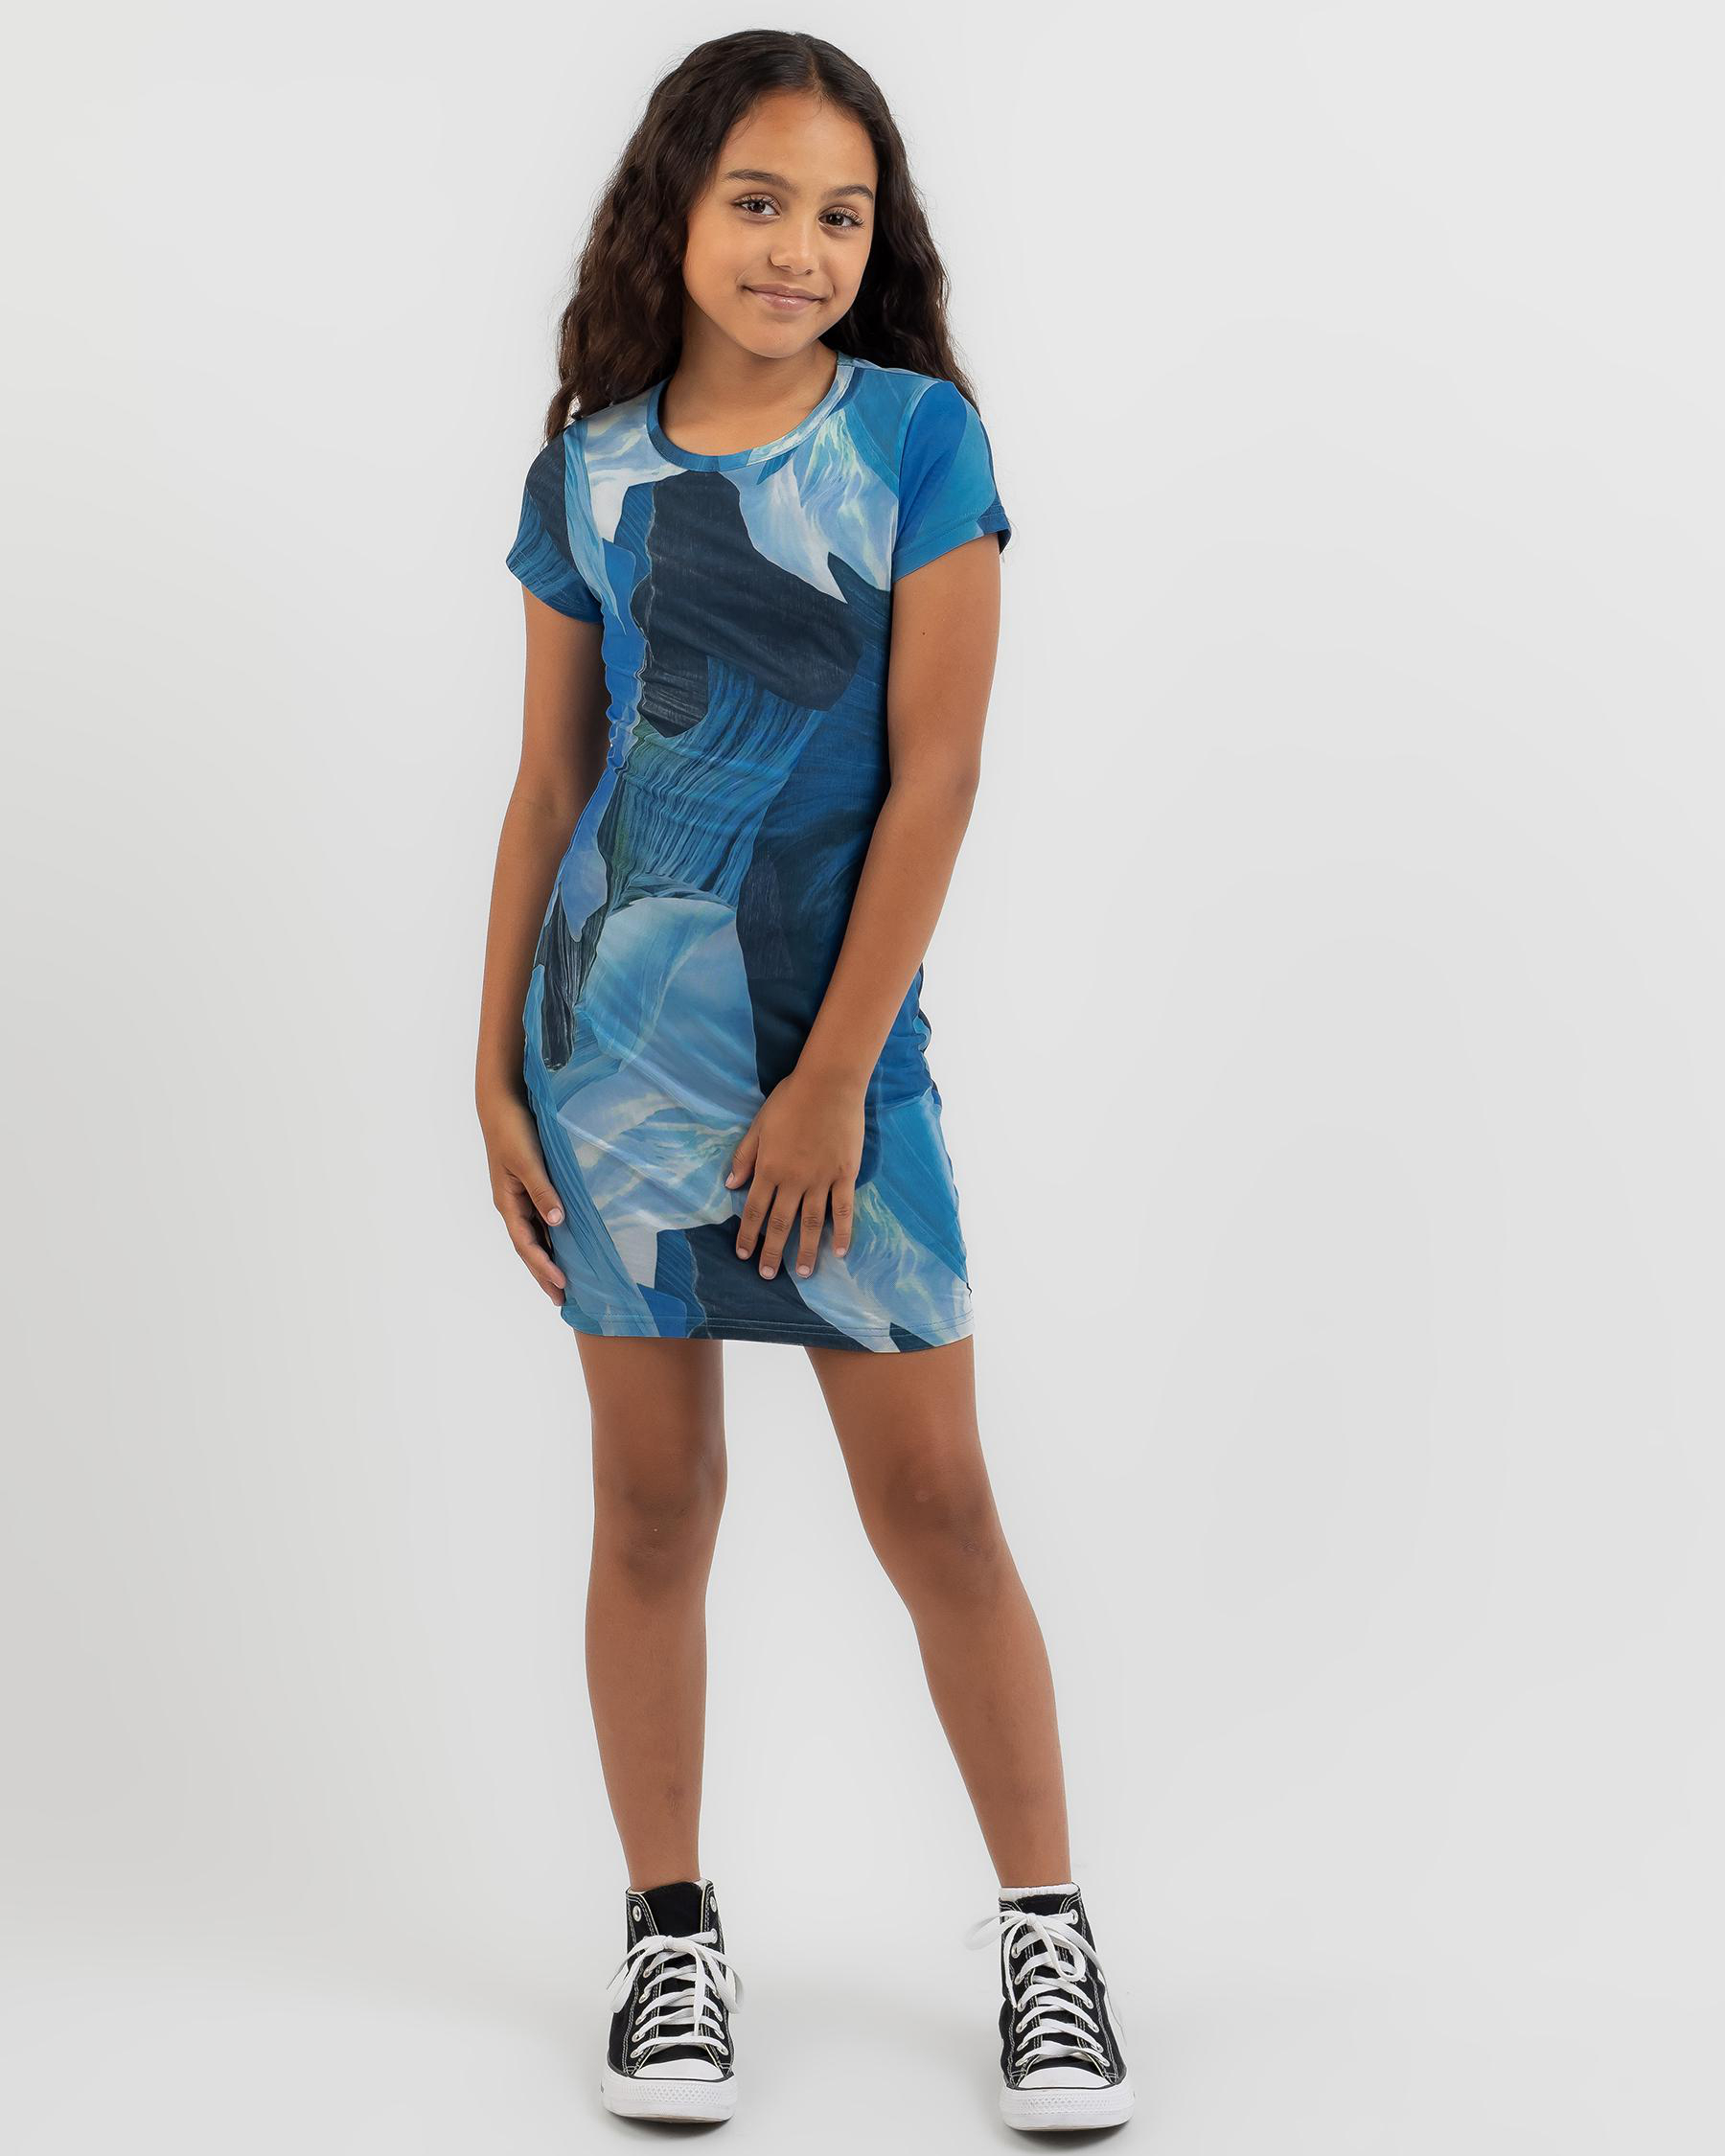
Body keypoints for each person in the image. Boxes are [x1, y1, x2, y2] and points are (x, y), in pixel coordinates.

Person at [476, 29, 1134, 2135]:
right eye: (758, 200)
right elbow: (550, 786)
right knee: (653, 1502)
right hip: (613, 1055)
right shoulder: (587, 469)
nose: (799, 247)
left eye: (841, 214)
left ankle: (1046, 1930)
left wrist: (839, 1072)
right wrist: (489, 1067)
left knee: (935, 1501)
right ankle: (670, 1937)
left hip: (839, 1068)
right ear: (671, 211)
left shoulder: (919, 440)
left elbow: (938, 775)